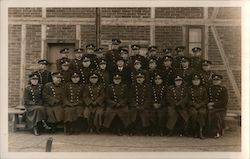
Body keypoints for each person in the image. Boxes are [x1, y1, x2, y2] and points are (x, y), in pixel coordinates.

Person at [187, 74, 208, 139]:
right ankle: (195, 130)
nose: (196, 81)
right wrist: (193, 104)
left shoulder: (203, 89)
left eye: (197, 80)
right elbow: (187, 99)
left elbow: (206, 99)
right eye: (194, 80)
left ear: (200, 81)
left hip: (201, 106)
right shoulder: (189, 89)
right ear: (192, 81)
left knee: (202, 113)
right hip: (192, 106)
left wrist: (200, 104)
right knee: (194, 113)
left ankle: (200, 131)